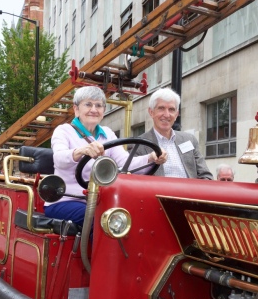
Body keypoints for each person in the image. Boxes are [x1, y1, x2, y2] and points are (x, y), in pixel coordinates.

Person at [45, 86, 168, 225]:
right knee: (102, 220)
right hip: (66, 199)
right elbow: (59, 158)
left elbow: (124, 162)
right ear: (76, 109)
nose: (93, 109)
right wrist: (81, 151)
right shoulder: (63, 131)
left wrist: (150, 158)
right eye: (88, 104)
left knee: (137, 215)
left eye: (99, 105)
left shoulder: (107, 133)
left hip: (99, 200)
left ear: (103, 111)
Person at [134, 88, 213, 179]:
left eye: (171, 109)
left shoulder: (189, 140)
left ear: (176, 114)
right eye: (161, 108)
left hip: (189, 192)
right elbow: (133, 179)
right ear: (151, 112)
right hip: (157, 193)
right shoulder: (138, 144)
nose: (167, 115)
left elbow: (206, 176)